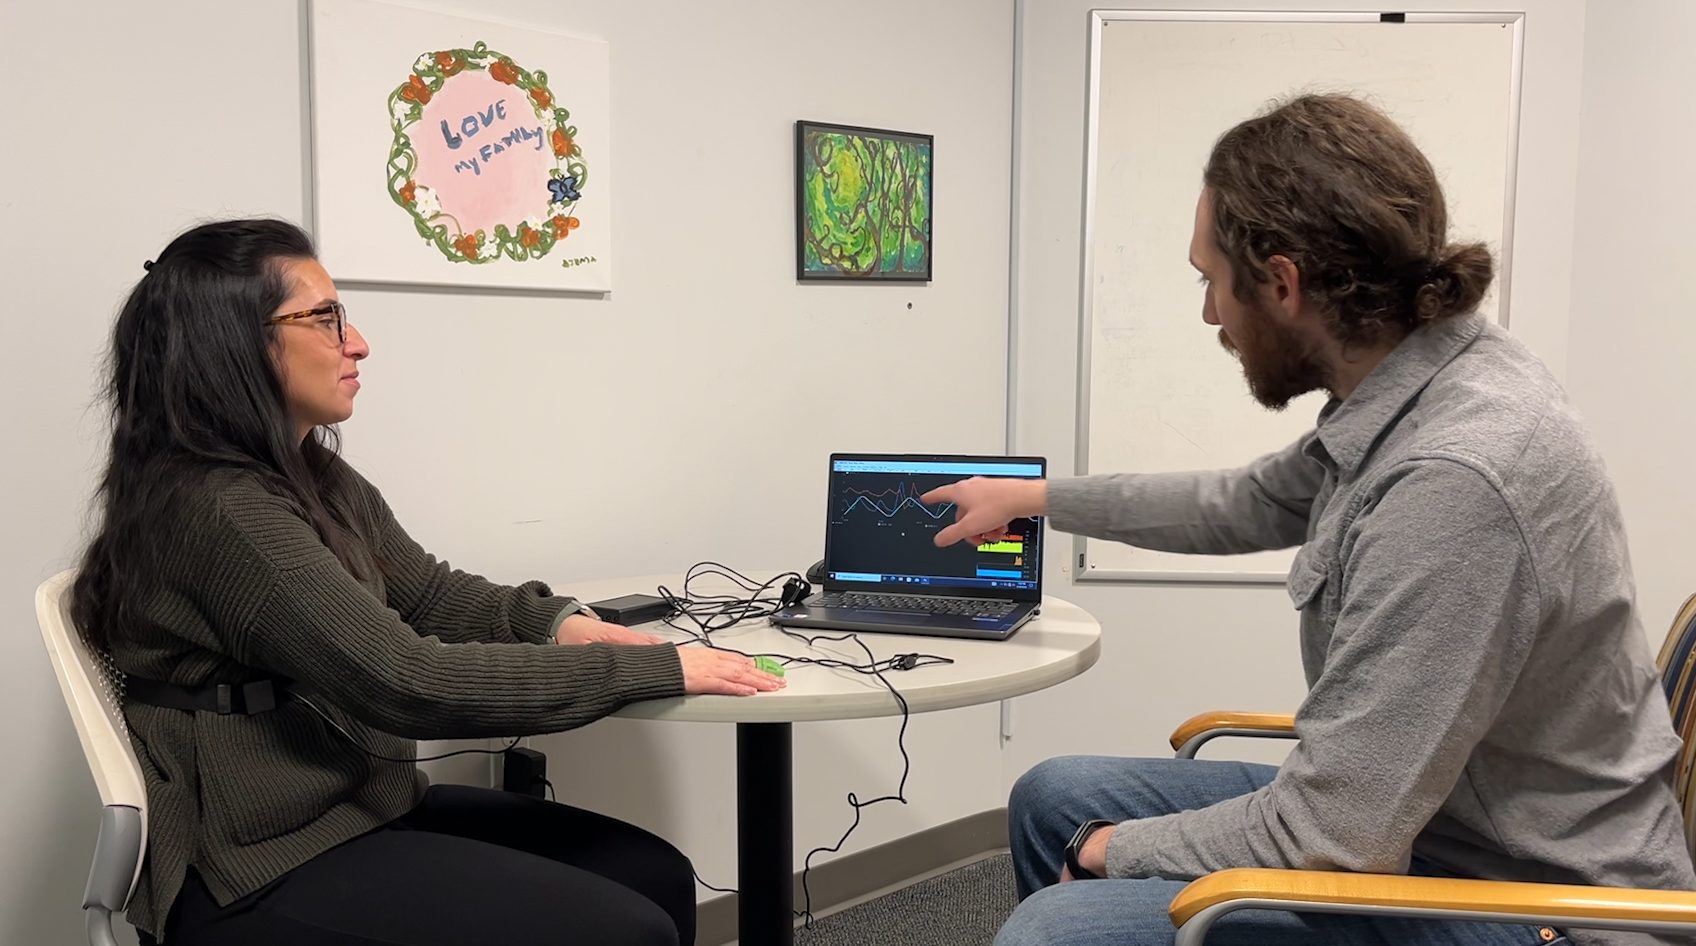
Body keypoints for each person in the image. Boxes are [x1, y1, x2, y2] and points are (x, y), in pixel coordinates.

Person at [925, 94, 1696, 946]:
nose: (1212, 314)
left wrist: (1117, 851)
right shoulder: (1424, 373)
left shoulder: (1455, 479)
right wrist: (1031, 499)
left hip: (1535, 898)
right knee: (1055, 796)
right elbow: (1246, 502)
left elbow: (1334, 838)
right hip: (1430, 818)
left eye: (1211, 282)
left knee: (1059, 928)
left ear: (1283, 284)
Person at [71, 218, 784, 946]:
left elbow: (427, 593)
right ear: (234, 345)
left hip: (357, 809)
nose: (357, 343)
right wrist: (650, 668)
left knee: (654, 874)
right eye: (324, 319)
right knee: (625, 930)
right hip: (253, 864)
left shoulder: (307, 472)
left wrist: (558, 622)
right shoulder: (222, 511)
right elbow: (409, 681)